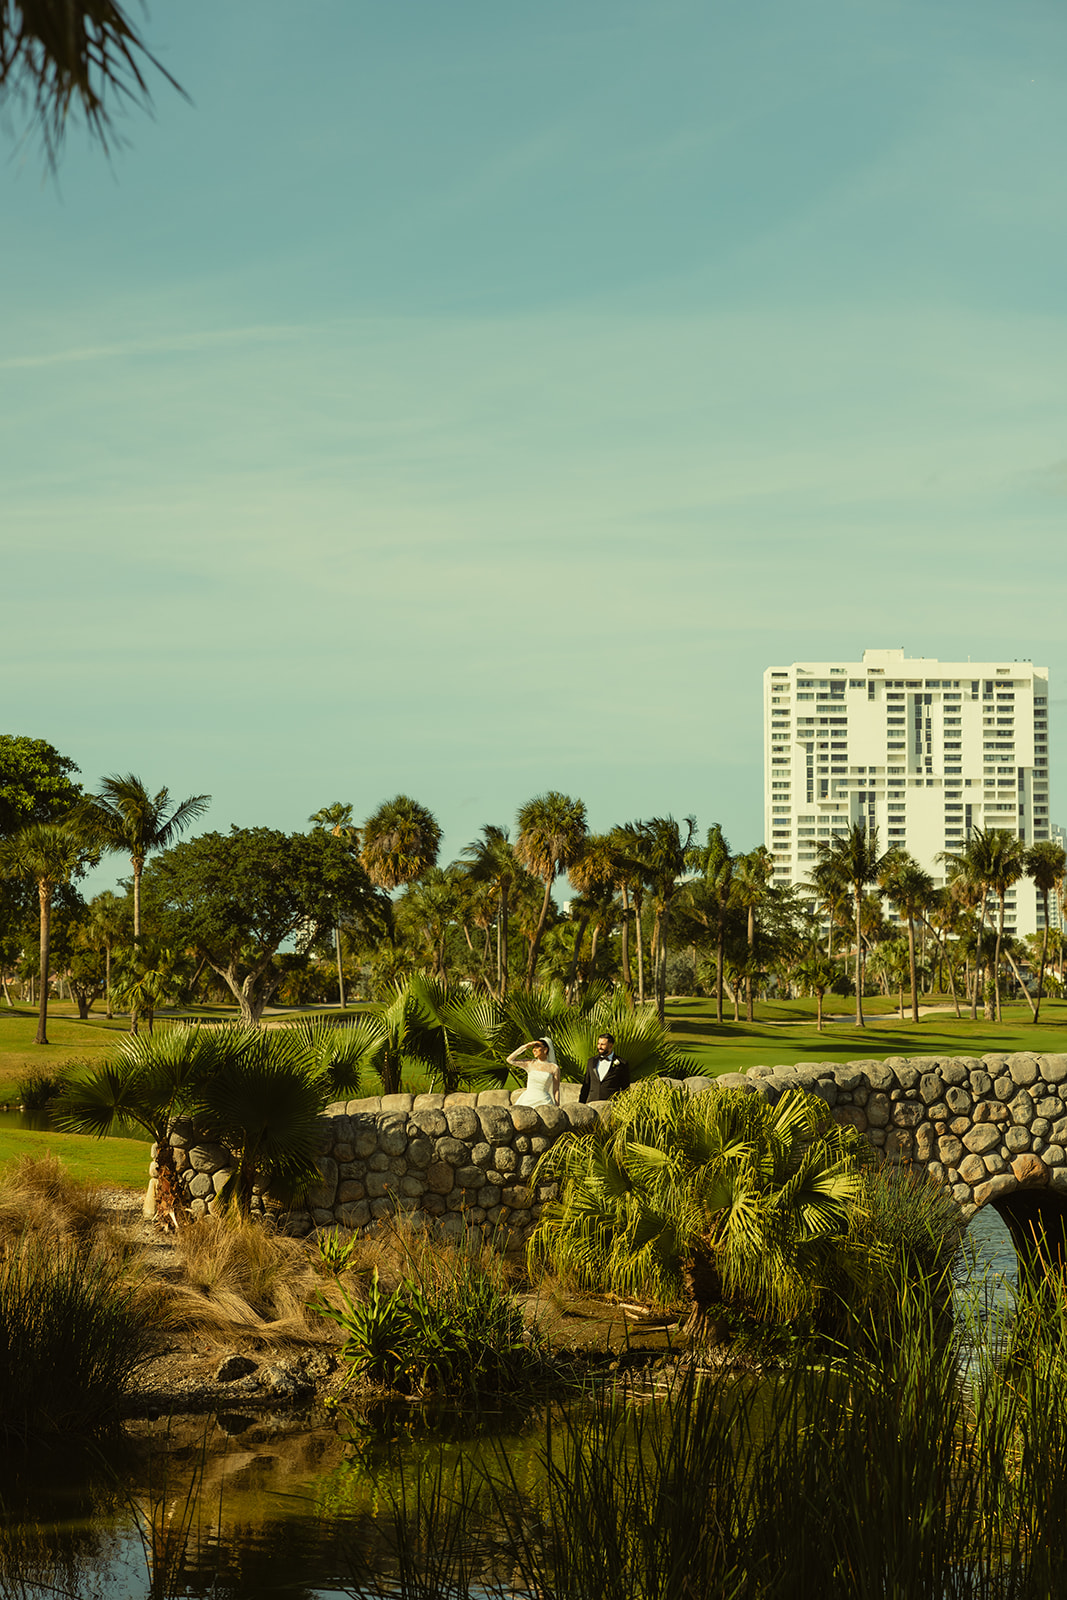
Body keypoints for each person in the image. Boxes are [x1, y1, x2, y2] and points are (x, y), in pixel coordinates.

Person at [507, 1036, 561, 1107]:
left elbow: (556, 1090)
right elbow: (510, 1060)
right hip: (527, 1100)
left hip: (544, 1101)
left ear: (545, 1049)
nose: (534, 1050)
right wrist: (525, 1046)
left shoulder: (554, 1068)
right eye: (533, 1048)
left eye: (537, 1047)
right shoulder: (530, 1063)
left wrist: (557, 1106)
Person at [579, 1031, 630, 1103]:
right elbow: (586, 1086)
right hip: (592, 1104)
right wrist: (581, 1104)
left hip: (611, 1105)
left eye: (603, 1044)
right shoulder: (591, 1061)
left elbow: (625, 1088)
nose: (599, 1047)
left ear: (611, 1045)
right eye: (598, 1044)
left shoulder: (622, 1063)